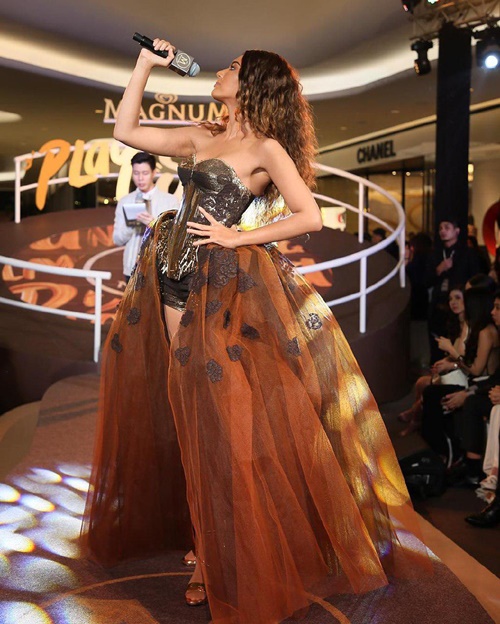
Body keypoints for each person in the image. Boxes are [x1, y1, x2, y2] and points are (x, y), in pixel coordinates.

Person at [82, 39, 431, 623]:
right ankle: (204, 534)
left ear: (252, 86)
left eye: (233, 68)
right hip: (166, 278)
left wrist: (238, 236)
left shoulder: (265, 148)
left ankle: (213, 556)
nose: (221, 71)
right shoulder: (203, 134)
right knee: (186, 416)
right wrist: (145, 64)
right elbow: (125, 130)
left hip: (218, 288)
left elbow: (308, 214)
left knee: (217, 423)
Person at [421, 288, 499, 468]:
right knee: (430, 392)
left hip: (481, 384)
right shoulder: (474, 328)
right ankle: (440, 451)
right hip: (475, 382)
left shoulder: (486, 332)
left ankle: (447, 453)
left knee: (434, 395)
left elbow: (476, 370)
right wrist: (451, 362)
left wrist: (452, 352)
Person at [399, 286, 467, 436]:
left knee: (425, 386)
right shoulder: (457, 324)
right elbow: (455, 355)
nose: (453, 302)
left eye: (458, 298)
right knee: (421, 382)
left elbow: (465, 359)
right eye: (450, 299)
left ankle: (415, 416)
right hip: (455, 370)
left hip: (463, 376)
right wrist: (444, 362)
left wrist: (450, 361)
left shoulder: (469, 327)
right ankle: (416, 414)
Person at [113, 151, 179, 282]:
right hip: (131, 269)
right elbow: (117, 239)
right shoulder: (125, 201)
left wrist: (154, 223)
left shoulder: (169, 201)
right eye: (136, 173)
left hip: (159, 269)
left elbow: (174, 237)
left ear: (154, 173)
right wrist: (132, 225)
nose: (140, 178)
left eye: (145, 173)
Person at [426, 219, 480, 363]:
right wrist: (440, 269)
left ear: (457, 231)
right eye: (440, 228)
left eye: (447, 227)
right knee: (436, 346)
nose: (442, 231)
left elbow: (476, 279)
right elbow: (426, 281)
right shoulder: (435, 254)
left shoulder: (467, 253)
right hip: (438, 307)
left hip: (460, 308)